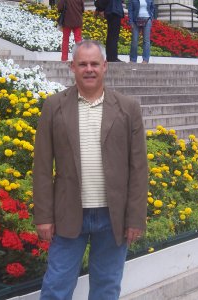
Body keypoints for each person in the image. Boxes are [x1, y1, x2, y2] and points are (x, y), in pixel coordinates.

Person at [33, 40, 148, 300]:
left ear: (105, 66)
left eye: (94, 63)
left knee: (107, 287)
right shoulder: (53, 106)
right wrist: (43, 216)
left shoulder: (128, 108)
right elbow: (41, 166)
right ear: (72, 67)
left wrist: (135, 218)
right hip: (67, 214)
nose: (89, 69)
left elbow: (139, 168)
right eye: (82, 64)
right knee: (56, 287)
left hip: (113, 217)